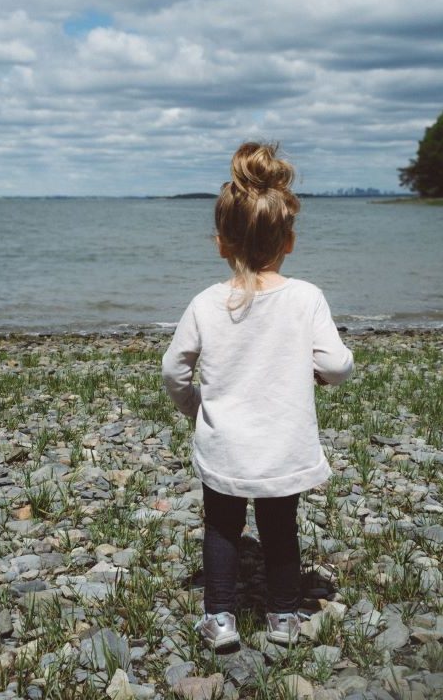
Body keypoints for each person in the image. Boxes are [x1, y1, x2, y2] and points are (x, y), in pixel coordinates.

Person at [161, 141, 353, 649]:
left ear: (221, 242)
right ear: (288, 241)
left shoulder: (206, 302)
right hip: (282, 443)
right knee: (280, 527)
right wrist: (319, 376)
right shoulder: (306, 297)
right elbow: (337, 364)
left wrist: (195, 407)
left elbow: (174, 369)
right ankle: (283, 617)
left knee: (222, 528)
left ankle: (220, 619)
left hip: (225, 442)